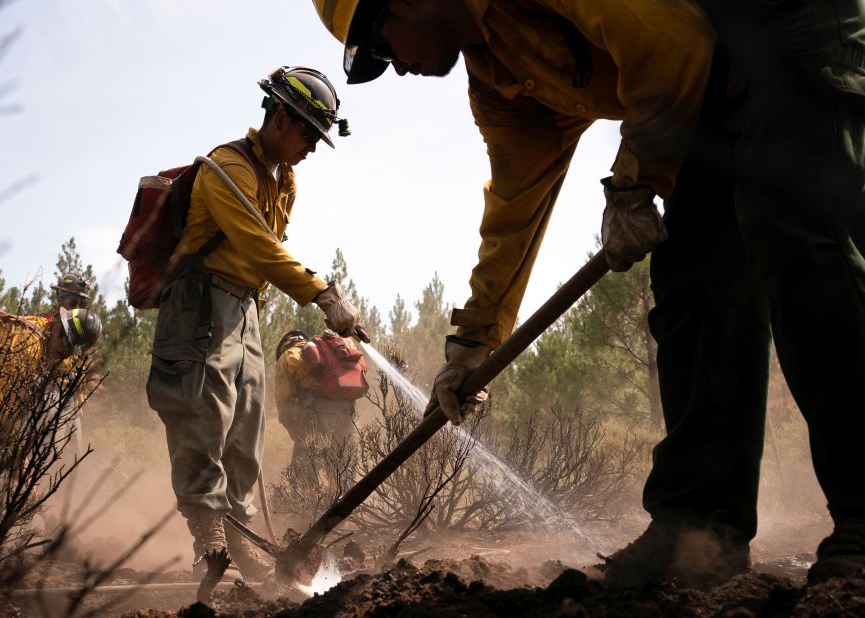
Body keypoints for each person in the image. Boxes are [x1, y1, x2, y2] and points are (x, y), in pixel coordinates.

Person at [312, 0, 865, 588]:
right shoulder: (499, 81)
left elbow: (668, 41)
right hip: (705, 81)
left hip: (786, 24)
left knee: (801, 235)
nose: (394, 67)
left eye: (380, 45)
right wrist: (473, 340)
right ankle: (699, 533)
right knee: (696, 283)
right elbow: (513, 208)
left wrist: (633, 187)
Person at [145, 66, 369, 587]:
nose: (312, 146)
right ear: (281, 116)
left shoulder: (283, 179)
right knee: (202, 417)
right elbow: (258, 246)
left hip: (243, 308)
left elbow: (265, 255)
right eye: (309, 132)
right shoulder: (227, 168)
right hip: (199, 304)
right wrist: (321, 292)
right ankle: (211, 543)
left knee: (246, 431)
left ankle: (240, 545)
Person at [274, 329, 366, 483]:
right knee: (343, 463)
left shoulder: (288, 356)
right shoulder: (325, 351)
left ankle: (309, 505)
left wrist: (296, 432)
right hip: (348, 409)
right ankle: (347, 502)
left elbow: (284, 402)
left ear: (285, 345)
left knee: (304, 465)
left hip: (317, 410)